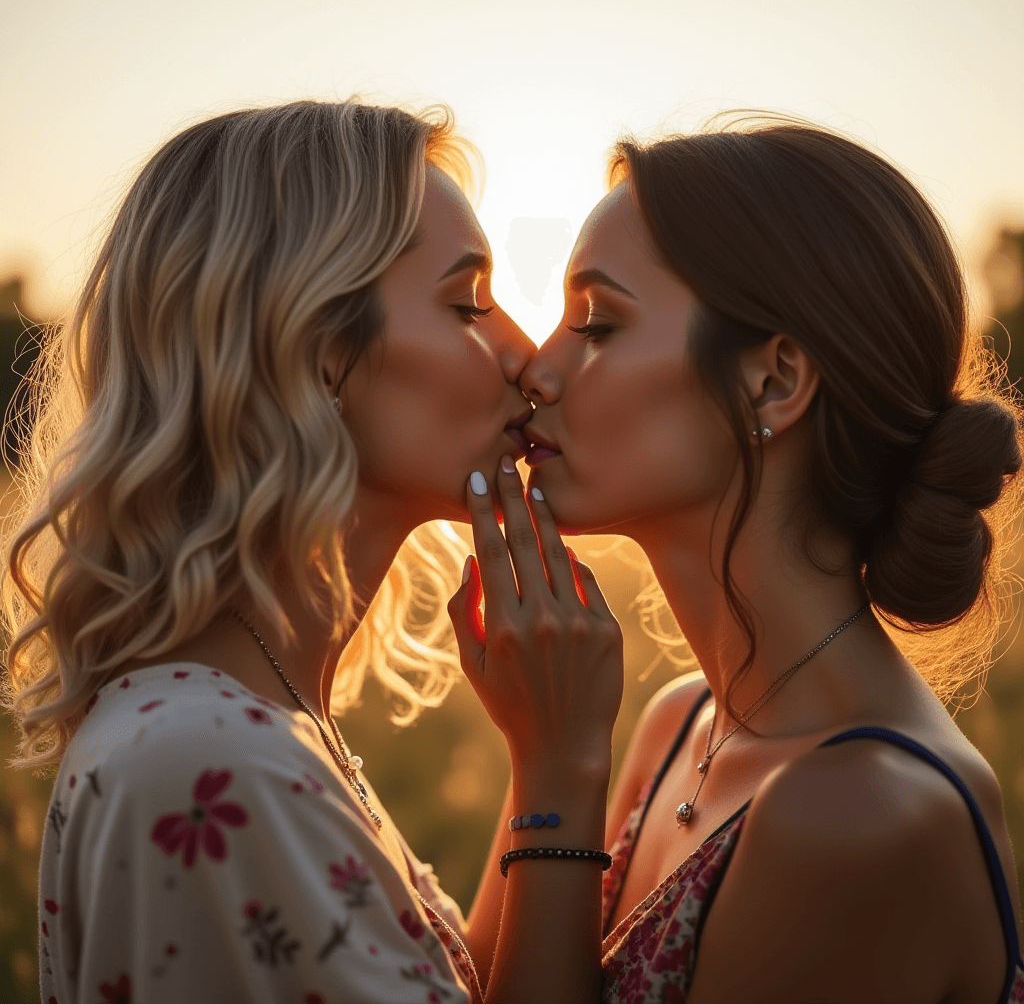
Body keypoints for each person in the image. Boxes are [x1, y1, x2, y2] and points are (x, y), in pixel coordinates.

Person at [1, 100, 624, 1004]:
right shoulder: (214, 763)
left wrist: (542, 753)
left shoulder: (252, 724)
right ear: (319, 357)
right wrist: (566, 771)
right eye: (466, 304)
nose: (525, 355)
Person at [509, 116, 1024, 1001]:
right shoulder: (678, 728)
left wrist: (555, 772)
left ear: (775, 382)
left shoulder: (860, 811)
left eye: (596, 323)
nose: (536, 371)